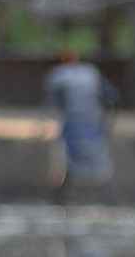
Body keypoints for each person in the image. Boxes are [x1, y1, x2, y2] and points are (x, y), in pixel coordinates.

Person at [44, 50, 118, 197]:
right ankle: (108, 194)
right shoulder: (91, 73)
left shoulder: (59, 75)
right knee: (97, 157)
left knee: (67, 158)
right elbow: (111, 97)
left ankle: (63, 193)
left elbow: (53, 102)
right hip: (92, 121)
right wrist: (109, 120)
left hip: (73, 121)